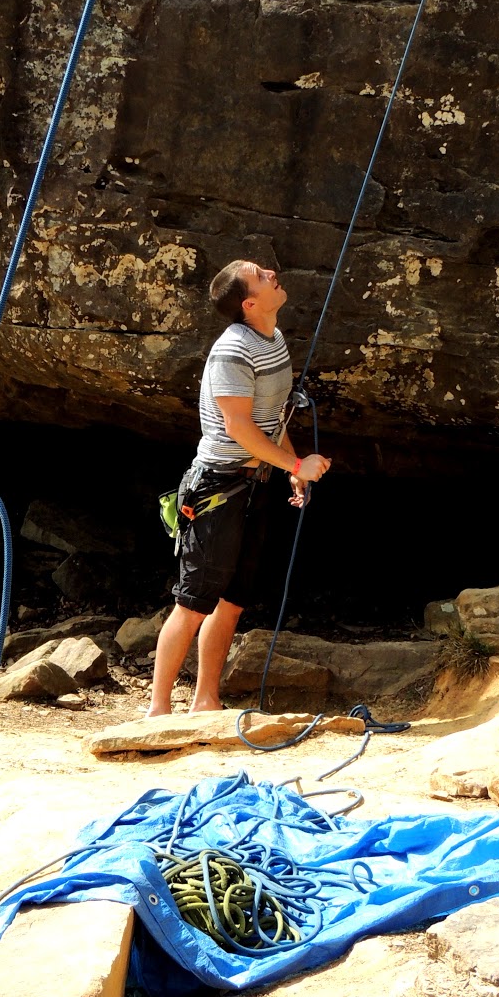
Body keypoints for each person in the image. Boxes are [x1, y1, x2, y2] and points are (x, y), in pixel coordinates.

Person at [147, 260, 330, 717]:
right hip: (217, 488)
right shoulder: (232, 351)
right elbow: (239, 428)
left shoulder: (275, 340)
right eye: (260, 274)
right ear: (249, 304)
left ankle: (206, 701)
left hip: (257, 483)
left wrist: (290, 468)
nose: (272, 272)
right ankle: (157, 711)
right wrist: (296, 462)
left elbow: (273, 418)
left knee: (231, 602)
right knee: (192, 602)